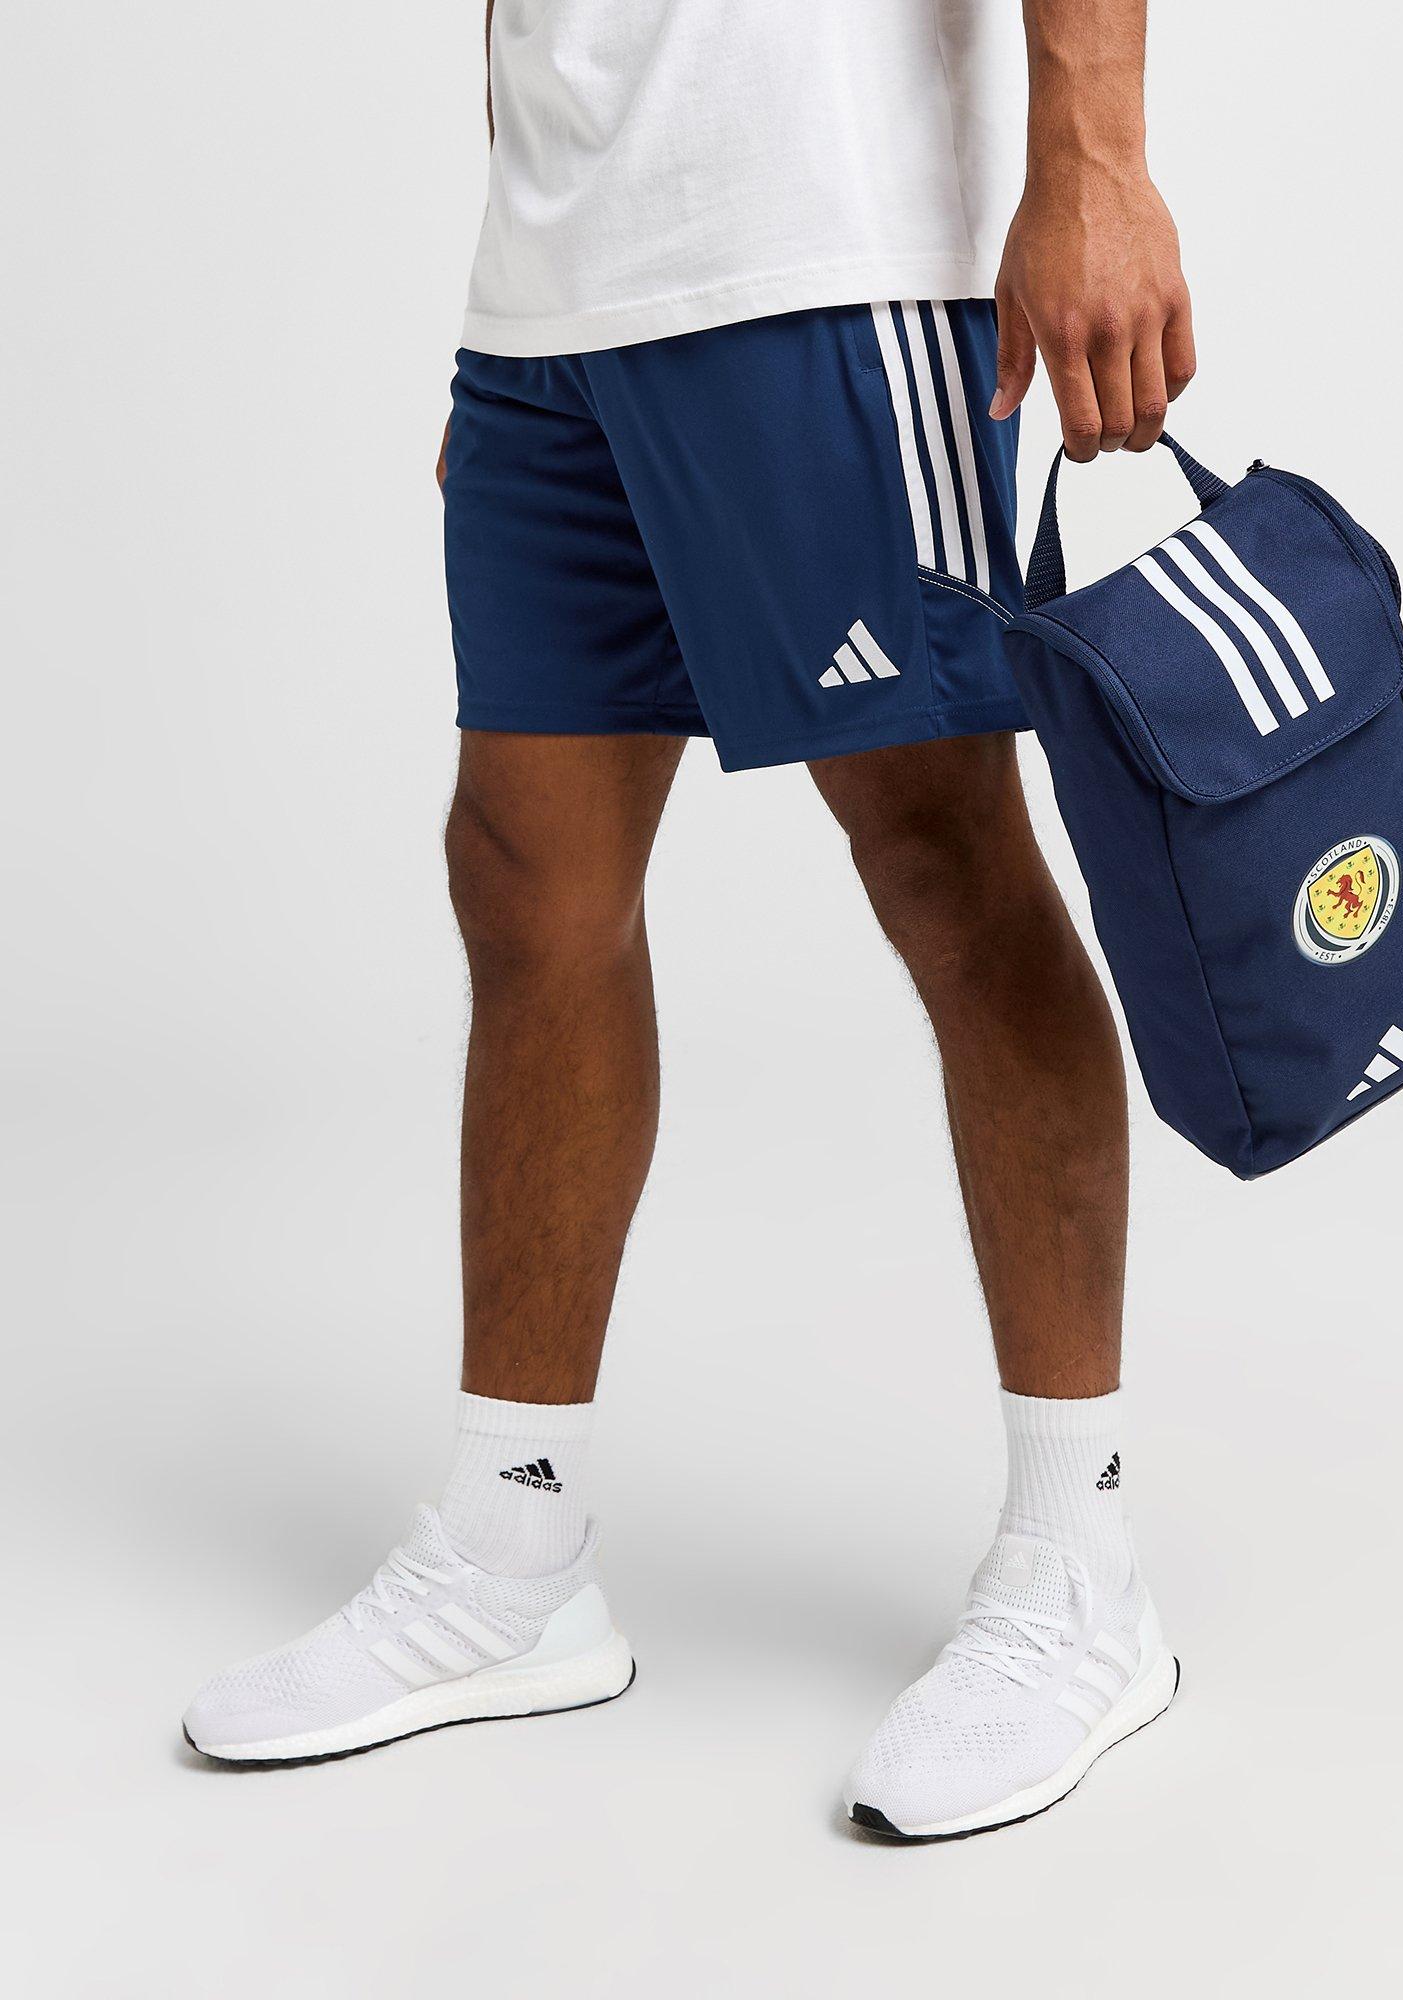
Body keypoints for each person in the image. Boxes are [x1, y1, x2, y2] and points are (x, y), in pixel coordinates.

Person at [183, 0, 1195, 1841]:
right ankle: (513, 1547)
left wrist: (1097, 158)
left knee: (942, 858)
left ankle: (1080, 1566)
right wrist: (537, 292)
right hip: (562, 299)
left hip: (825, 253)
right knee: (524, 877)